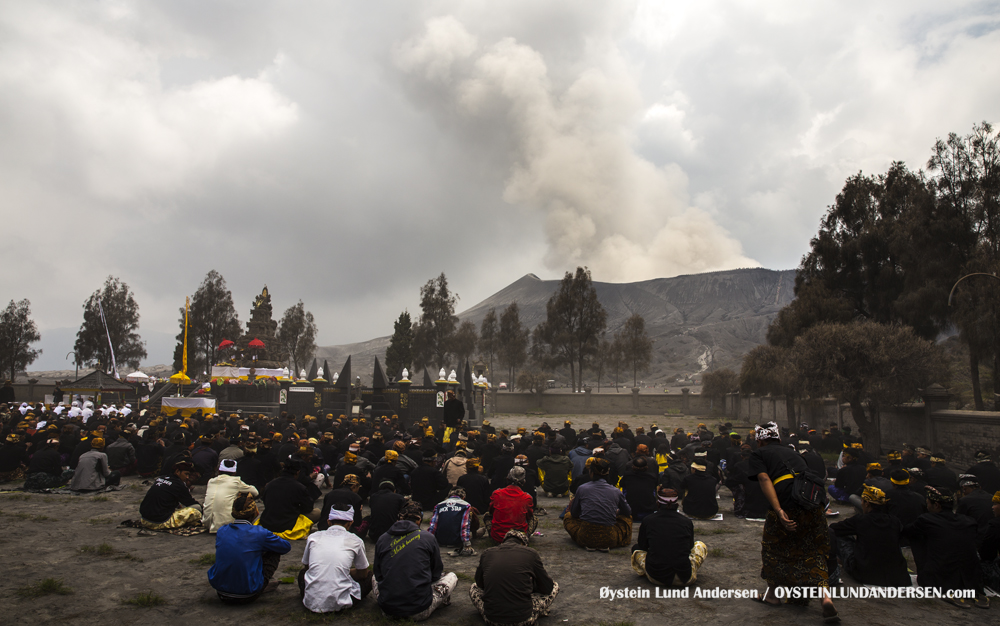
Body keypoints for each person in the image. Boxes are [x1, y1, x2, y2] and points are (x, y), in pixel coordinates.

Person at [749, 422, 838, 621]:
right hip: (812, 505)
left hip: (787, 504)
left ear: (760, 441)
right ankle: (825, 598)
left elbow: (764, 479)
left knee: (774, 548)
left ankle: (772, 595)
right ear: (779, 439)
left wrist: (779, 510)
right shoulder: (795, 453)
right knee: (814, 549)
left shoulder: (759, 454)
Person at [903, 485, 988, 609]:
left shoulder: (926, 520)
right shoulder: (969, 521)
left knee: (917, 536)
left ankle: (942, 584)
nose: (927, 506)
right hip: (971, 579)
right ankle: (972, 592)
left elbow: (907, 531)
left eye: (928, 503)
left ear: (936, 505)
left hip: (939, 576)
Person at [373, 500, 457, 621]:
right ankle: (440, 601)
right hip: (420, 609)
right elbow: (436, 573)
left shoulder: (382, 539)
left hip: (388, 609)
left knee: (373, 577)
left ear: (398, 519)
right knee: (452, 576)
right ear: (419, 520)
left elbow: (378, 574)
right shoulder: (428, 538)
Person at [207, 493, 291, 604]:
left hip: (221, 592)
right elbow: (285, 547)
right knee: (273, 550)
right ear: (254, 513)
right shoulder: (260, 533)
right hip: (248, 594)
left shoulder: (222, 530)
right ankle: (259, 584)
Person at [470, 529, 558, 626]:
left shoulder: (487, 553)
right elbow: (547, 587)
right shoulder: (531, 553)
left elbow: (479, 584)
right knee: (555, 586)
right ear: (523, 544)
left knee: (473, 587)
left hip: (492, 619)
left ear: (504, 542)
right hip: (524, 619)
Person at [298, 503, 373, 613]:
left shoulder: (314, 537)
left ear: (328, 522)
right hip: (342, 602)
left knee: (302, 573)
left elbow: (307, 567)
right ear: (350, 523)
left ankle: (313, 595)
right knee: (369, 575)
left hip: (311, 602)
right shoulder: (356, 541)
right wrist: (345, 571)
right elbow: (363, 574)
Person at [829, 485, 910, 587]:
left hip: (865, 573)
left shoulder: (860, 520)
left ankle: (842, 561)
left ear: (867, 504)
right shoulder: (895, 521)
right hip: (897, 576)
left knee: (843, 536)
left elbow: (833, 529)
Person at [630, 487, 708, 586]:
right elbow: (689, 547)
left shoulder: (648, 520)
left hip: (656, 577)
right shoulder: (686, 522)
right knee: (700, 545)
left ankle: (649, 572)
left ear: (658, 504)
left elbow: (642, 546)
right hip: (684, 577)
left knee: (636, 549)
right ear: (677, 505)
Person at [563, 458, 632, 552]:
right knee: (627, 518)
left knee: (568, 516)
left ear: (590, 472)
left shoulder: (582, 488)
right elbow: (627, 512)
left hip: (585, 537)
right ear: (608, 473)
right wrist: (616, 512)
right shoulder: (616, 491)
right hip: (609, 539)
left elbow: (574, 513)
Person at [257, 459, 318, 540]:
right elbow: (308, 508)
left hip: (268, 522)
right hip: (288, 524)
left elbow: (265, 502)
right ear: (297, 472)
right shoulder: (300, 487)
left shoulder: (269, 485)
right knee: (317, 512)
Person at [139, 460, 203, 529]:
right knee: (197, 509)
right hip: (159, 522)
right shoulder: (178, 485)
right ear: (177, 472)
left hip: (144, 519)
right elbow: (190, 502)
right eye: (186, 474)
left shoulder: (161, 478)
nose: (187, 477)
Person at [203, 458, 259, 533]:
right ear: (234, 473)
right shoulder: (236, 481)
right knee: (247, 499)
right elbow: (255, 492)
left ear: (219, 471)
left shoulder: (211, 481)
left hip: (207, 523)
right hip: (226, 525)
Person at [488, 466, 536, 543]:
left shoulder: (497, 494)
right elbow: (529, 516)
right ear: (524, 482)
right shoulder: (527, 497)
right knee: (534, 519)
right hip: (518, 538)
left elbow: (491, 511)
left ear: (507, 479)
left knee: (487, 516)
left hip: (498, 538)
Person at [429, 487, 480, 556]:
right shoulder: (466, 505)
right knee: (471, 514)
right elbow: (465, 525)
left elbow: (433, 525)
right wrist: (466, 543)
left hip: (440, 540)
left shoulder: (439, 505)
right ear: (463, 497)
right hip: (457, 540)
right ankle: (476, 533)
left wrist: (428, 540)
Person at [619, 457, 658, 521]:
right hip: (648, 509)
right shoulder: (652, 477)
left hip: (631, 510)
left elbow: (621, 484)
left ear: (633, 467)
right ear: (646, 467)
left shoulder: (627, 476)